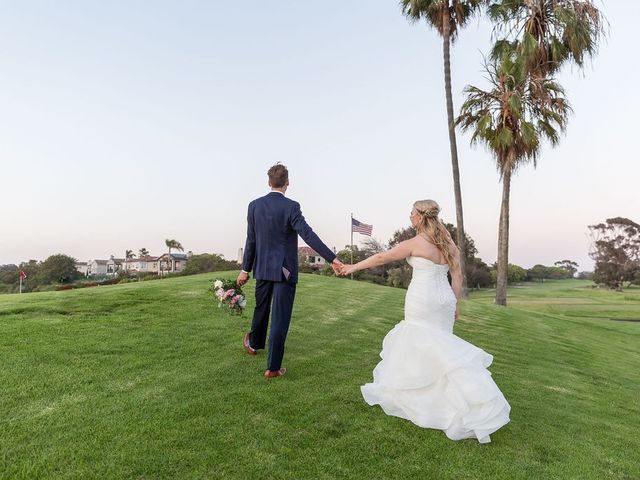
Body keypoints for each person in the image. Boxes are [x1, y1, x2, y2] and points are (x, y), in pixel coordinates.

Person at [339, 199, 510, 443]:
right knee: (441, 347)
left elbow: (381, 258)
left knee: (420, 342)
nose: (409, 217)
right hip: (445, 300)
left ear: (420, 217)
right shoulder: (449, 243)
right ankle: (455, 399)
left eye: (411, 214)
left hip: (423, 299)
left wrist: (352, 267)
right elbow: (458, 275)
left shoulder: (416, 243)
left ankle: (423, 400)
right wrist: (455, 303)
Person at [237, 163, 343, 378]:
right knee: (280, 317)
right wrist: (331, 258)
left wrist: (245, 269)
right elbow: (308, 235)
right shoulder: (291, 207)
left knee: (262, 308)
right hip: (285, 271)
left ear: (269, 182)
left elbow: (251, 240)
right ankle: (273, 368)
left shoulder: (254, 206)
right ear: (287, 183)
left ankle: (255, 344)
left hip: (262, 268)